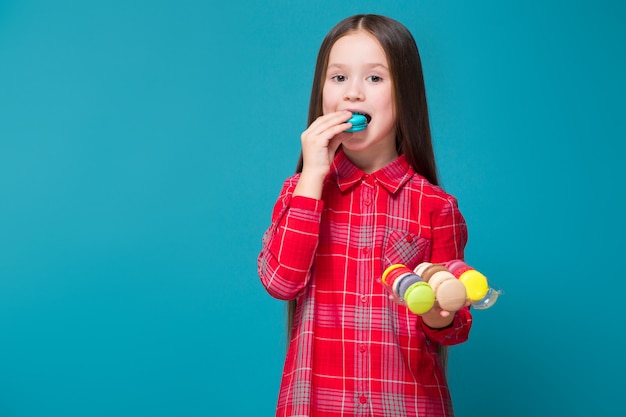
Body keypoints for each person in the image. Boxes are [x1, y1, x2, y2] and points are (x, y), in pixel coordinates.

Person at [258, 14, 472, 417]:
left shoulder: (436, 206)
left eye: (374, 79)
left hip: (408, 406)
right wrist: (313, 174)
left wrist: (439, 314)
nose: (352, 94)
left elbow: (454, 327)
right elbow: (280, 281)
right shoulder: (299, 191)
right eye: (338, 78)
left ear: (405, 93)